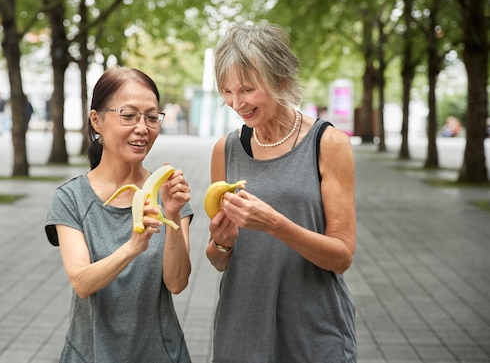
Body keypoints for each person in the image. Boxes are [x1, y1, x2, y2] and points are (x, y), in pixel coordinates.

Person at [206, 22, 357, 362]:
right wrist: (221, 242)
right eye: (227, 91)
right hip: (241, 330)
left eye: (246, 89)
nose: (235, 102)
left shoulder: (328, 143)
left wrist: (275, 224)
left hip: (313, 331)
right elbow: (217, 260)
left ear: (282, 81)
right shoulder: (225, 150)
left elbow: (341, 256)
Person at [45, 67, 193, 363]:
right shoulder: (71, 198)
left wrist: (173, 216)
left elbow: (177, 283)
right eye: (128, 115)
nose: (142, 128)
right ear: (96, 120)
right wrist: (133, 247)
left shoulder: (170, 193)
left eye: (152, 117)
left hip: (161, 354)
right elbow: (82, 282)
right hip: (91, 354)